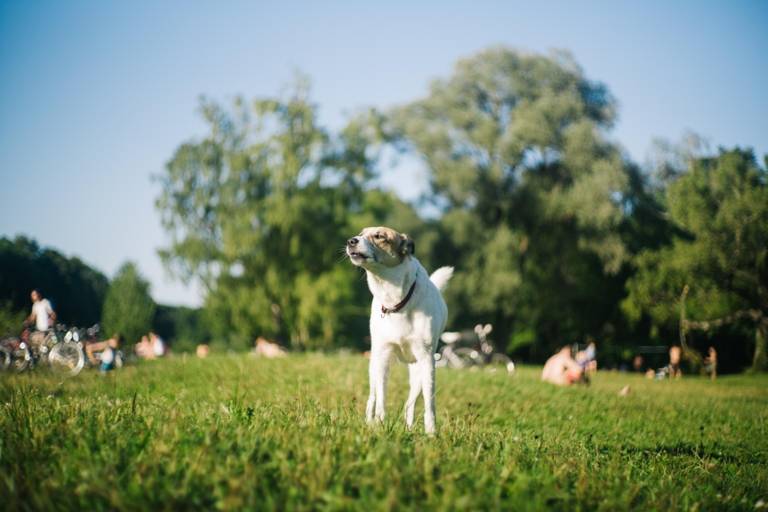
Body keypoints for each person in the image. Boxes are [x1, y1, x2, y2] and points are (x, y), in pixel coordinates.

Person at [24, 289, 56, 354]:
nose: (32, 297)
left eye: (34, 295)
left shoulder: (45, 302)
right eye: (32, 295)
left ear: (38, 294)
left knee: (45, 347)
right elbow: (32, 317)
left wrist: (53, 321)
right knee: (36, 345)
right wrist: (27, 321)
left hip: (46, 330)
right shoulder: (35, 305)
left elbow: (51, 313)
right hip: (39, 329)